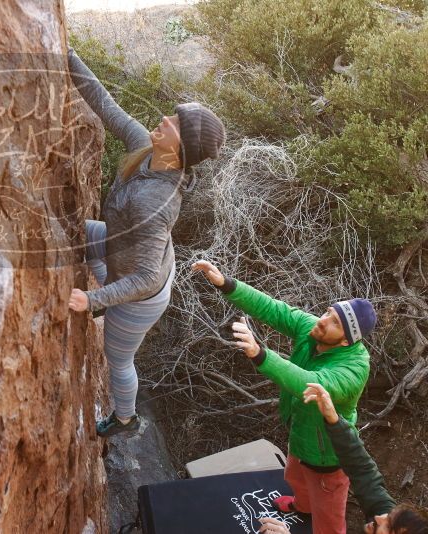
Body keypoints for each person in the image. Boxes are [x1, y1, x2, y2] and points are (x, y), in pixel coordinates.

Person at [65, 47, 226, 438]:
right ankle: (104, 293)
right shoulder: (146, 149)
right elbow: (109, 107)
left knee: (118, 360)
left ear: (181, 146)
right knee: (78, 232)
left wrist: (94, 299)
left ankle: (125, 418)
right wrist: (68, 55)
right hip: (125, 252)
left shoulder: (157, 200)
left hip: (142, 296)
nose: (164, 120)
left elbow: (146, 278)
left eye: (172, 123)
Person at [192, 259, 376, 534]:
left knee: (329, 518)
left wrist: (260, 354)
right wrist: (226, 284)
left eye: (334, 322)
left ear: (347, 340)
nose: (323, 320)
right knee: (295, 476)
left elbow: (312, 384)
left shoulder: (354, 368)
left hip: (329, 457)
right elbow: (274, 310)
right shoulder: (316, 331)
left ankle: (316, 514)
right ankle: (302, 505)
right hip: (302, 434)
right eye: (328, 312)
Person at [258, 383, 428, 534]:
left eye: (389, 526)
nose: (379, 517)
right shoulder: (383, 514)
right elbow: (362, 469)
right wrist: (334, 419)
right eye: (390, 515)